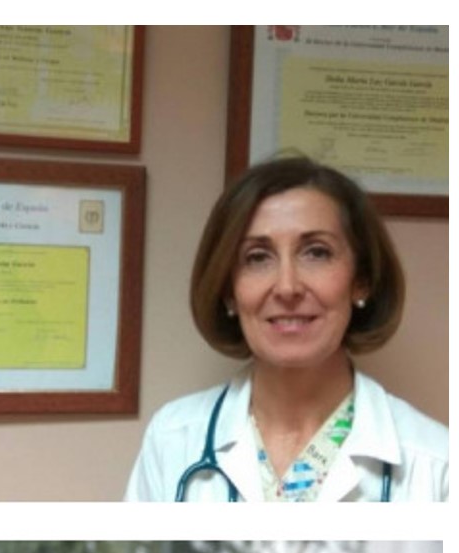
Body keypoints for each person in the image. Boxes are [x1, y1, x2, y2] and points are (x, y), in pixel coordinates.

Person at [125, 155, 448, 502]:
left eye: (316, 253)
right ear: (228, 290)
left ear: (362, 281)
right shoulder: (172, 440)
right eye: (257, 257)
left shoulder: (438, 462)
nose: (287, 287)